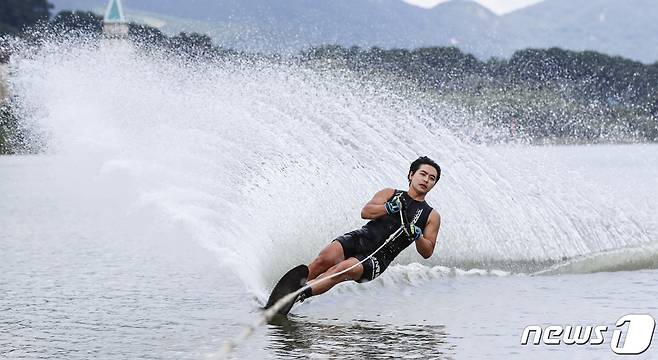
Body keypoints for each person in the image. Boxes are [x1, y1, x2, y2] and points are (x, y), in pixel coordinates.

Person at [298, 156, 442, 301]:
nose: (426, 180)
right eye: (422, 174)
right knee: (323, 260)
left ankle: (296, 296)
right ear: (411, 175)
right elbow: (366, 212)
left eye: (431, 178)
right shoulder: (390, 193)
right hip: (361, 238)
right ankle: (292, 288)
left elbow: (427, 252)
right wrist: (388, 208)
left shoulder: (431, 215)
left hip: (377, 258)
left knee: (339, 270)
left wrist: (418, 237)